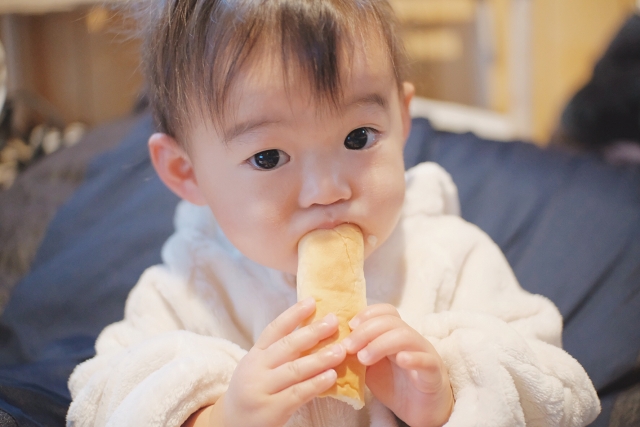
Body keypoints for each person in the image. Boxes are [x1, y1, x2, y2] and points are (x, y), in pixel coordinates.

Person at [66, 0, 600, 426]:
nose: (326, 190)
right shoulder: (185, 288)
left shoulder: (449, 256)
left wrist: (449, 396)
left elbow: (559, 390)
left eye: (358, 137)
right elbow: (101, 400)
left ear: (403, 116)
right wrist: (218, 417)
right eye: (269, 157)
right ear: (186, 172)